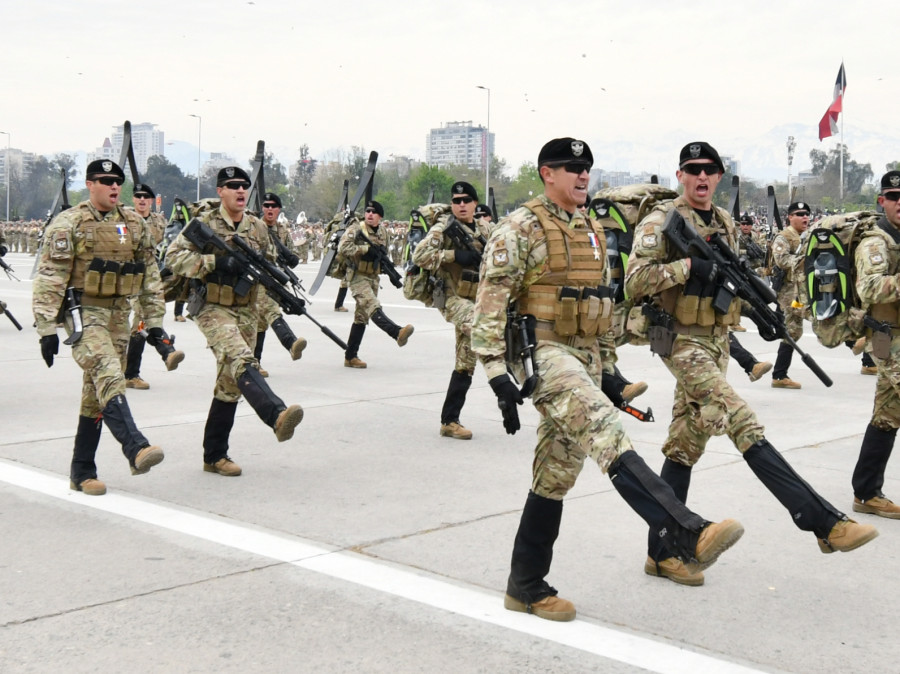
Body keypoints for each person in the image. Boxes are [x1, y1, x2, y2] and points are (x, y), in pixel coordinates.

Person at [473, 138, 746, 621]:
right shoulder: (519, 228)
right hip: (542, 354)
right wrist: (497, 374)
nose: (582, 176)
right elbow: (490, 306)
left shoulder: (591, 229)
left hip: (583, 356)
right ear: (546, 174)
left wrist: (608, 372)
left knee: (555, 474)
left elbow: (599, 305)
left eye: (586, 168)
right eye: (570, 168)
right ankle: (685, 529)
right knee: (605, 432)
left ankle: (525, 586)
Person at [625, 141, 877, 585]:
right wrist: (686, 266)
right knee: (740, 418)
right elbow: (635, 281)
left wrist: (759, 314)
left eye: (710, 170)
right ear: (680, 175)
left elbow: (729, 277)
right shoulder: (661, 222)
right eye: (693, 169)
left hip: (717, 341)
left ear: (719, 177)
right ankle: (822, 522)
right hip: (680, 341)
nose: (702, 177)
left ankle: (663, 553)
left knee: (686, 442)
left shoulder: (721, 220)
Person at [32, 160, 166, 495]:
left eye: (118, 181)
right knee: (108, 373)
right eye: (106, 180)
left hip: (119, 317)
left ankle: (82, 472)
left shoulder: (133, 224)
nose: (114, 186)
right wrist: (46, 328)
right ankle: (135, 447)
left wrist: (154, 322)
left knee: (96, 394)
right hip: (83, 313)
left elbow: (150, 275)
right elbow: (50, 278)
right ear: (90, 184)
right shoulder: (70, 223)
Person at [165, 167, 304, 477]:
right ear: (220, 191)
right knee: (242, 360)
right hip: (212, 307)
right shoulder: (204, 223)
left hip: (246, 310)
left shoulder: (256, 226)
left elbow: (267, 267)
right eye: (233, 186)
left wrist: (283, 299)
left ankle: (214, 456)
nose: (241, 191)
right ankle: (276, 415)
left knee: (230, 384)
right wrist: (216, 261)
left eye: (244, 186)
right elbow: (174, 258)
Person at [412, 182, 493, 439]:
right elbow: (420, 256)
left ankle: (449, 421)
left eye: (466, 200)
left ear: (475, 204)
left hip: (477, 297)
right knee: (480, 328)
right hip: (451, 297)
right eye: (456, 200)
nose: (461, 204)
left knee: (465, 362)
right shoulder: (444, 226)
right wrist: (454, 255)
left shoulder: (485, 228)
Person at [849, 170, 900, 519]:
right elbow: (868, 288)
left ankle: (866, 492)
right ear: (882, 200)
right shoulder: (876, 242)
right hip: (887, 337)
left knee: (887, 414)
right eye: (895, 197)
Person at [338, 200, 413, 368]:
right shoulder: (356, 229)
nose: (370, 214)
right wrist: (364, 250)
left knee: (361, 317)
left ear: (380, 216)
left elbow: (382, 252)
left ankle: (350, 357)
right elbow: (343, 247)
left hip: (373, 277)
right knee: (372, 306)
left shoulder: (383, 232)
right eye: (368, 211)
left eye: (374, 212)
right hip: (357, 276)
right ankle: (396, 332)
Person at [124, 182, 184, 389]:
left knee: (143, 322)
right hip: (131, 276)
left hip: (153, 276)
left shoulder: (160, 221)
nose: (142, 200)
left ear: (151, 200)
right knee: (142, 318)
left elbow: (167, 246)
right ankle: (164, 351)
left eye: (145, 197)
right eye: (138, 196)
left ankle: (132, 372)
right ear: (134, 199)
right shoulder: (124, 219)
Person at [254, 192, 307, 376]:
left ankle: (254, 364)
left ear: (279, 210)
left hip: (277, 278)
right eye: (266, 205)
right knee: (271, 311)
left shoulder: (283, 230)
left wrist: (292, 257)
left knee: (261, 324)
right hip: (258, 277)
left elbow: (292, 254)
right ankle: (290, 342)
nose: (269, 209)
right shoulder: (253, 226)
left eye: (273, 206)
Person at [770, 201, 811, 389]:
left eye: (807, 214)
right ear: (790, 217)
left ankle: (779, 375)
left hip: (801, 290)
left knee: (794, 331)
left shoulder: (807, 237)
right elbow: (781, 260)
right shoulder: (783, 237)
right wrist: (804, 260)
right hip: (789, 295)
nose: (805, 217)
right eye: (800, 214)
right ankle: (854, 343)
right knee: (810, 313)